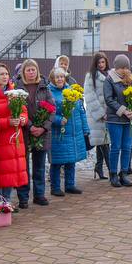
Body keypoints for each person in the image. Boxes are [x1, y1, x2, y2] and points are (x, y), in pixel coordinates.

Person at [0, 62, 30, 208]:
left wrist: (22, 119)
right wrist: (7, 122)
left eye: (6, 74)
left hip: (14, 138)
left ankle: (7, 202)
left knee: (10, 172)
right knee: (0, 173)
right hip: (0, 140)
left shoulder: (14, 93)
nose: (5, 77)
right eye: (1, 74)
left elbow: (24, 111)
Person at [16, 59, 55, 206]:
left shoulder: (44, 87)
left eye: (33, 70)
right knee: (23, 167)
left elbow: (52, 109)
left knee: (39, 166)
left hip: (42, 132)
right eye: (28, 70)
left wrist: (43, 127)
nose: (31, 72)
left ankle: (39, 195)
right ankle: (23, 197)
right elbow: (17, 110)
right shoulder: (18, 88)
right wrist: (30, 126)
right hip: (25, 131)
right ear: (23, 72)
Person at [46, 65, 88, 196]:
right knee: (57, 161)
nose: (60, 79)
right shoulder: (49, 92)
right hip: (58, 133)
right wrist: (59, 120)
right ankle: (55, 187)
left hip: (73, 132)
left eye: (62, 77)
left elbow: (81, 111)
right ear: (52, 79)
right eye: (57, 77)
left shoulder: (71, 91)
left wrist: (85, 128)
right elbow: (47, 112)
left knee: (71, 160)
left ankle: (70, 185)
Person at [102, 54, 132, 188]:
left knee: (127, 147)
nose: (124, 70)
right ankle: (113, 173)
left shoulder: (131, 79)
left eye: (126, 67)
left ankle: (124, 173)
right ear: (116, 67)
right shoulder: (109, 80)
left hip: (130, 119)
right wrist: (123, 110)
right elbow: (109, 99)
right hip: (115, 119)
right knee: (116, 147)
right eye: (122, 68)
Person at [84, 52, 111, 179]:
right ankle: (112, 171)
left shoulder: (110, 74)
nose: (101, 64)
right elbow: (90, 97)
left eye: (103, 62)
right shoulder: (90, 76)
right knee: (104, 144)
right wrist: (101, 114)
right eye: (99, 62)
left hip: (108, 114)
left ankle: (99, 167)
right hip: (97, 116)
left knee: (103, 142)